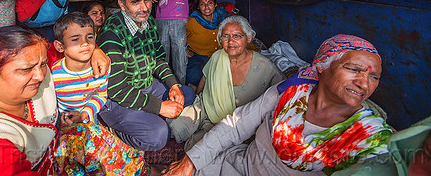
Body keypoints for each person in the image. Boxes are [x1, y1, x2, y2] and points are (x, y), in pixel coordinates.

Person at [162, 34, 394, 176]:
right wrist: (190, 162)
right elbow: (238, 124)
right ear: (322, 66)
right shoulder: (291, 92)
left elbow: (379, 163)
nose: (364, 83)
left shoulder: (367, 135)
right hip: (240, 167)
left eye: (374, 77)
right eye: (354, 69)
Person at [0, 26, 149, 175]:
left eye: (43, 64)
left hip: (54, 150)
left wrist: (95, 51)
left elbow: (68, 46)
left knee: (90, 132)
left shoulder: (36, 60)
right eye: (26, 70)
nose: (40, 75)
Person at [97, 0, 196, 151]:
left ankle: (148, 116)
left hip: (146, 85)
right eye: (136, 2)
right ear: (122, 4)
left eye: (148, 1)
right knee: (159, 136)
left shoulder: (148, 22)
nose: (144, 8)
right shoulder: (111, 37)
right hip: (117, 99)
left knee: (186, 94)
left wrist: (173, 85)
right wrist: (159, 107)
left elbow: (157, 58)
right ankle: (114, 131)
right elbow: (116, 89)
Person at [168, 15, 285, 150]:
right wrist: (196, 97)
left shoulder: (265, 67)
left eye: (237, 36)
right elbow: (205, 78)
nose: (230, 41)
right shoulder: (217, 56)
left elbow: (282, 94)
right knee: (175, 128)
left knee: (200, 148)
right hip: (205, 107)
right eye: (225, 36)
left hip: (233, 124)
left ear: (248, 38)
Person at [51, 12, 108, 124]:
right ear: (60, 46)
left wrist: (84, 115)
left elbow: (101, 95)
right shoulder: (53, 75)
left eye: (89, 37)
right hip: (62, 122)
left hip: (89, 117)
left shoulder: (102, 66)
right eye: (75, 39)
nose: (85, 43)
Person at [185, 0, 232, 86]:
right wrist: (184, 50)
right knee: (193, 77)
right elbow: (178, 37)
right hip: (198, 56)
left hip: (220, 54)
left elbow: (237, 33)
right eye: (202, 4)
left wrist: (252, 49)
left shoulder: (224, 18)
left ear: (215, 4)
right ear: (198, 7)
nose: (206, 7)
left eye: (210, 3)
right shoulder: (191, 21)